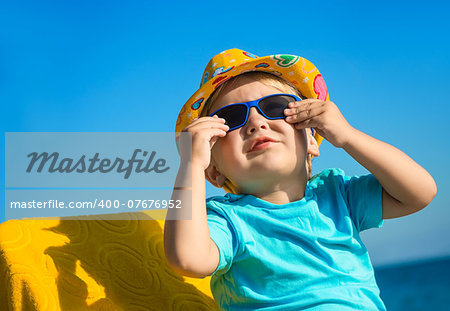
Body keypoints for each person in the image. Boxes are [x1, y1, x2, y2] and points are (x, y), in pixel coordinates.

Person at [164, 48, 437, 310]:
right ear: (213, 171)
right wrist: (190, 164)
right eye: (230, 118)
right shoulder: (228, 220)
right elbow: (189, 259)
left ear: (311, 139)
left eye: (275, 107)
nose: (256, 122)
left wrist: (348, 136)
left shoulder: (338, 196)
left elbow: (419, 193)